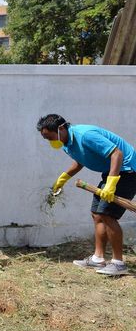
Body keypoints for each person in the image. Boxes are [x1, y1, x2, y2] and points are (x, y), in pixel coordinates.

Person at [38, 114, 135, 276]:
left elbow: (117, 154)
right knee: (97, 214)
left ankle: (118, 263)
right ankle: (98, 258)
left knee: (107, 214)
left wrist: (111, 184)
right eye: (46, 138)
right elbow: (80, 160)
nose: (50, 141)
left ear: (61, 128)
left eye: (50, 136)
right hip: (111, 171)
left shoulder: (86, 135)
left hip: (127, 170)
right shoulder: (66, 142)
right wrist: (63, 179)